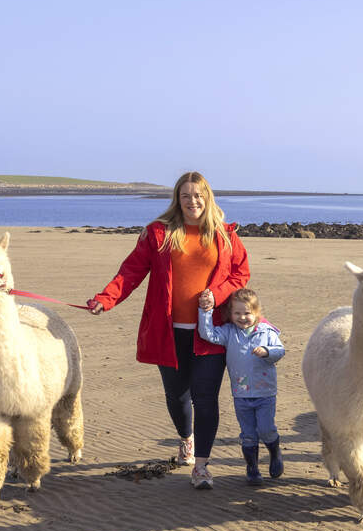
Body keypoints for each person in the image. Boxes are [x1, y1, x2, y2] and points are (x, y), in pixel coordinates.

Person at [85, 172, 250, 489]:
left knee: (205, 399)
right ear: (178, 199)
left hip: (211, 333)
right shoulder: (159, 234)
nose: (193, 201)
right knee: (177, 397)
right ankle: (186, 437)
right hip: (169, 332)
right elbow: (131, 271)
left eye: (198, 195)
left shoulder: (225, 235)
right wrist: (106, 299)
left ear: (208, 198)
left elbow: (241, 273)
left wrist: (218, 294)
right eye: (186, 195)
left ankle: (200, 466)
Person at [196, 287, 285, 485]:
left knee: (266, 428)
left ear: (256, 312)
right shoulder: (229, 332)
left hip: (265, 392)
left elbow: (280, 350)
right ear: (230, 314)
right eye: (237, 313)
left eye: (247, 313)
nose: (242, 317)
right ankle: (252, 468)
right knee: (248, 434)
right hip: (241, 393)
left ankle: (274, 451)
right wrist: (206, 311)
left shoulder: (266, 331)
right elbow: (207, 334)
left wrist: (267, 351)